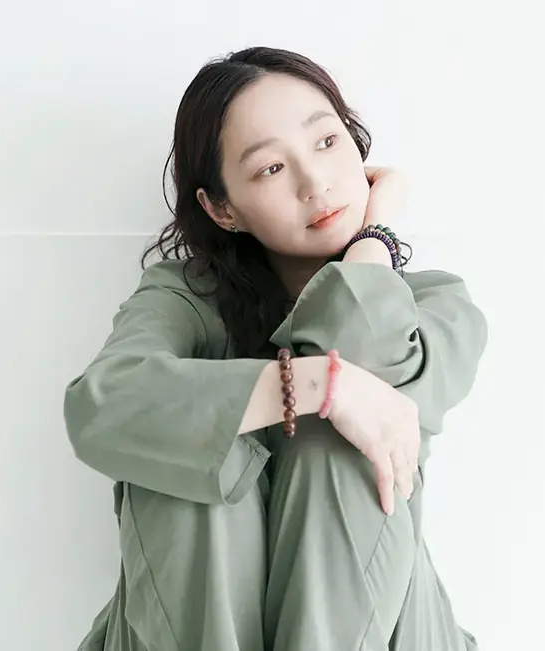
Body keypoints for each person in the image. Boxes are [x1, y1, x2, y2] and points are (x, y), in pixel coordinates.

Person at [63, 46, 489, 651]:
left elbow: (369, 355)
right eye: (270, 168)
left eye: (327, 142)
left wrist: (375, 237)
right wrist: (319, 387)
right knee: (190, 452)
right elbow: (103, 408)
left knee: (335, 449)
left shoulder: (433, 306)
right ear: (222, 209)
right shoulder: (184, 296)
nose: (316, 183)